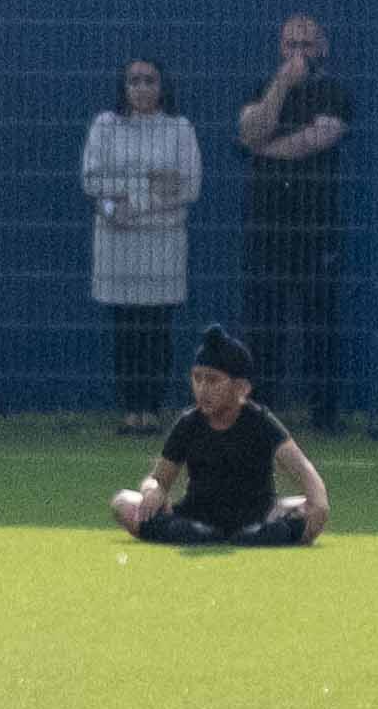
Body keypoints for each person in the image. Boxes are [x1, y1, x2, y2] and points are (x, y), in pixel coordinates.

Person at [111, 329, 331, 548]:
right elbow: (159, 479)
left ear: (241, 388)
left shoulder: (261, 421)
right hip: (195, 518)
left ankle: (257, 534)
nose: (203, 389)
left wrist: (316, 508)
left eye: (213, 380)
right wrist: (153, 491)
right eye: (197, 379)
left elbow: (304, 471)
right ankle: (197, 534)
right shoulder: (189, 422)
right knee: (123, 502)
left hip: (257, 519)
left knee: (311, 509)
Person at [234, 15, 353, 418]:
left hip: (316, 224)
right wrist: (282, 85)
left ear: (323, 48)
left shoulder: (333, 92)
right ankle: (260, 411)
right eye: (290, 44)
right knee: (263, 322)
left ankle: (324, 411)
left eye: (306, 44)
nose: (298, 52)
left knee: (320, 320)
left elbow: (318, 139)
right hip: (267, 226)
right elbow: (251, 131)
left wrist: (268, 149)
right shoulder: (263, 89)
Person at [81, 56, 202, 429]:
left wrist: (135, 204)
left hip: (161, 244)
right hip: (118, 242)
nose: (142, 88)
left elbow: (188, 186)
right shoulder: (105, 126)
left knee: (156, 326)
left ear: (163, 86)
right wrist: (119, 203)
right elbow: (92, 179)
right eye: (134, 81)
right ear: (124, 87)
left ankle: (152, 408)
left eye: (150, 81)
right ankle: (130, 410)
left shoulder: (179, 129)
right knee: (125, 327)